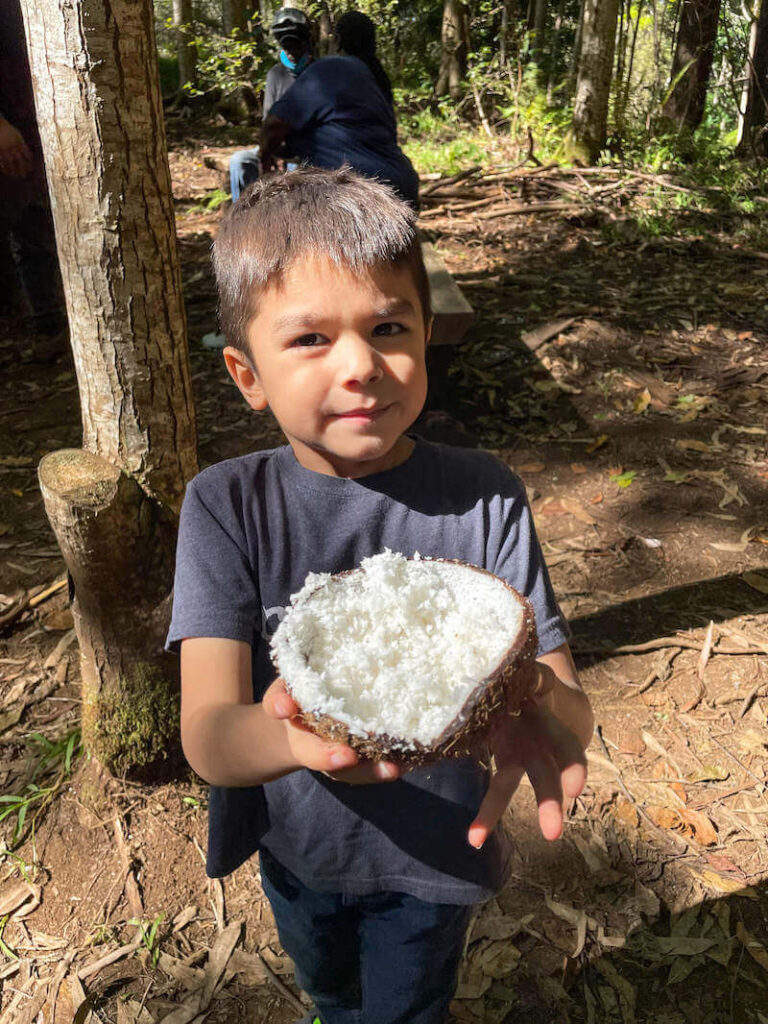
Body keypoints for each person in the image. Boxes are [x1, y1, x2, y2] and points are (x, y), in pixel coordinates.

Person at [168, 166, 593, 1024]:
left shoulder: (486, 496)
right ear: (246, 375)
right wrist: (298, 736)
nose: (361, 365)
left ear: (427, 336)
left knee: (404, 1008)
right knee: (327, 984)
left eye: (389, 326)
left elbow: (568, 700)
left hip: (439, 858)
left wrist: (536, 707)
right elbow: (210, 736)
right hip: (297, 849)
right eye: (310, 339)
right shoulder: (225, 505)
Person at [260, 23, 419, 207]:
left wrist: (265, 158)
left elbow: (273, 125)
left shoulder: (328, 68)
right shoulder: (376, 77)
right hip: (401, 182)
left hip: (349, 186)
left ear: (337, 41)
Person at [0, 0, 67, 344]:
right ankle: (37, 325)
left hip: (37, 120)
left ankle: (46, 322)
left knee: (38, 222)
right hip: (10, 129)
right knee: (23, 221)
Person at [229, 7, 314, 201]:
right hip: (277, 148)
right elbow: (268, 121)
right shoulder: (275, 74)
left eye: (295, 46)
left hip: (308, 151)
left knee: (296, 171)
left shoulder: (317, 72)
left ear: (305, 44)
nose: (291, 53)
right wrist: (272, 152)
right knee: (239, 162)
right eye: (287, 47)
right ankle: (240, 217)